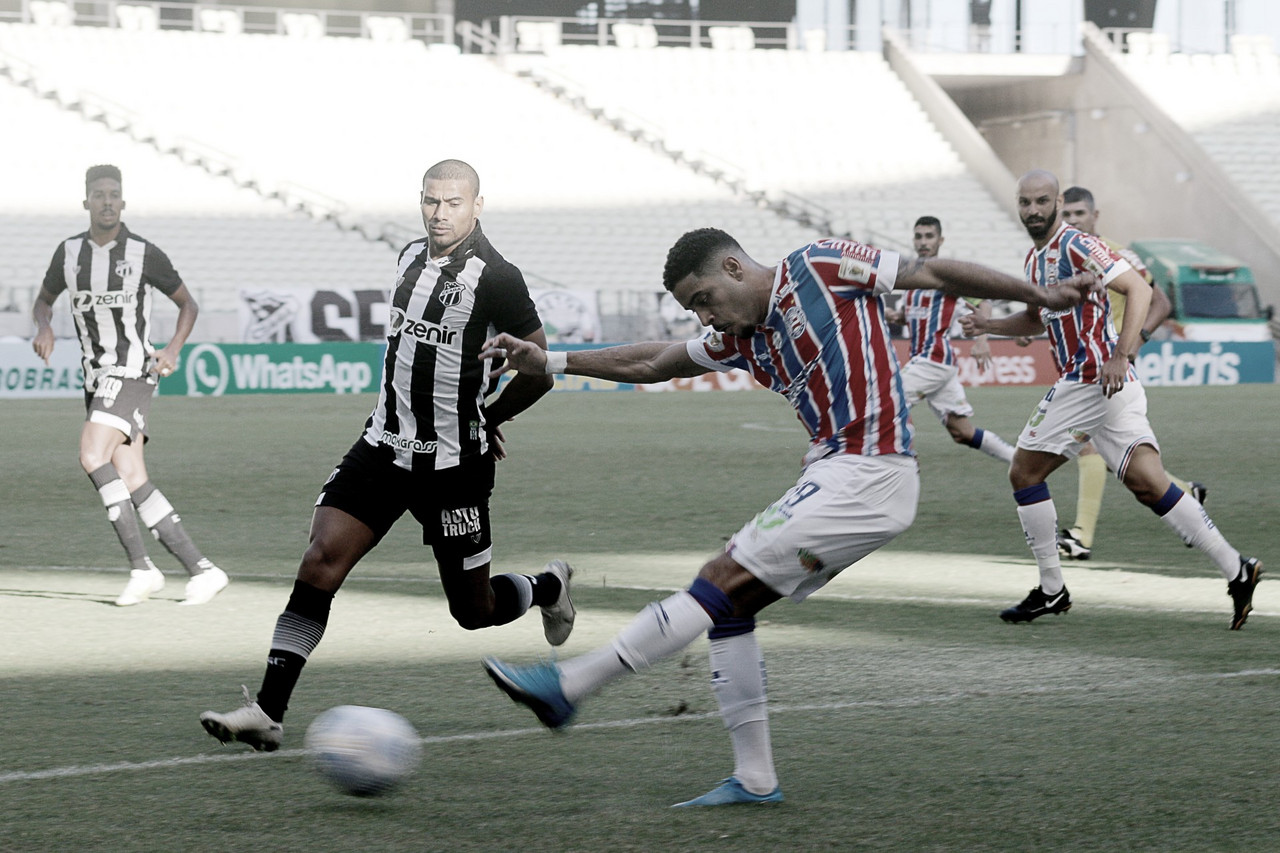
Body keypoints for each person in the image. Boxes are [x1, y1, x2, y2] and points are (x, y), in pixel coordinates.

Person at [477, 227, 1089, 807]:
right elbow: (656, 361)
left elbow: (929, 271)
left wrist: (1037, 294)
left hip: (870, 472)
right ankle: (755, 777)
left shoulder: (819, 268)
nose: (705, 318)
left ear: (734, 267)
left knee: (717, 580)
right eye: (694, 310)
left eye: (704, 299)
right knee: (732, 605)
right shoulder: (739, 337)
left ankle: (570, 688)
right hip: (841, 476)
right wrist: (553, 362)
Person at [199, 159, 575, 751]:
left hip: (453, 466)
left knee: (472, 611)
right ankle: (268, 712)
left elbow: (540, 370)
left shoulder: (499, 278)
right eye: (430, 201)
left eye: (453, 203)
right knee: (321, 559)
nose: (439, 213)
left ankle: (547, 587)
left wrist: (490, 416)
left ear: (477, 206)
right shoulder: (406, 256)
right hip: (383, 445)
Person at [961, 170, 1261, 628]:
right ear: (1017, 205)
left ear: (1058, 202)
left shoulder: (1077, 244)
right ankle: (1236, 568)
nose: (1034, 210)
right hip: (1105, 386)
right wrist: (989, 327)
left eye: (1043, 201)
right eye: (1026, 203)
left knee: (1024, 472)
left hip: (1090, 378)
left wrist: (1123, 353)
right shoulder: (1034, 259)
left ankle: (1051, 590)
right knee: (1149, 482)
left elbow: (1139, 289)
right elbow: (1035, 318)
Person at [31, 164, 228, 607]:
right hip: (95, 377)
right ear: (86, 202)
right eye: (98, 194)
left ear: (123, 202)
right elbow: (44, 300)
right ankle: (203, 569)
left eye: (113, 194)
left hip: (133, 370)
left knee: (90, 453)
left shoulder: (143, 253)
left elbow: (187, 304)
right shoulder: (67, 255)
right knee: (133, 476)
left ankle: (142, 568)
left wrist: (173, 349)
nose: (106, 201)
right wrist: (43, 326)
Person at [1053, 186, 1205, 560]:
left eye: (1079, 214)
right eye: (1067, 215)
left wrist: (1133, 345)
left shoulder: (1115, 253)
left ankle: (1081, 537)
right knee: (1117, 457)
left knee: (1086, 444)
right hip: (1079, 368)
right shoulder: (1059, 257)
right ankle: (1186, 494)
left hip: (1110, 368)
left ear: (1095, 216)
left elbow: (1160, 301)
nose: (1073, 221)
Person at [884, 216, 1015, 465]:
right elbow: (909, 316)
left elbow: (983, 302)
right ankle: (1018, 459)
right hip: (933, 366)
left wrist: (981, 339)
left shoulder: (949, 276)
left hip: (933, 361)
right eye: (919, 236)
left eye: (929, 236)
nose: (923, 242)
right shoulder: (911, 280)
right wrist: (896, 316)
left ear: (940, 240)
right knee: (962, 432)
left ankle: (903, 464)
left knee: (887, 403)